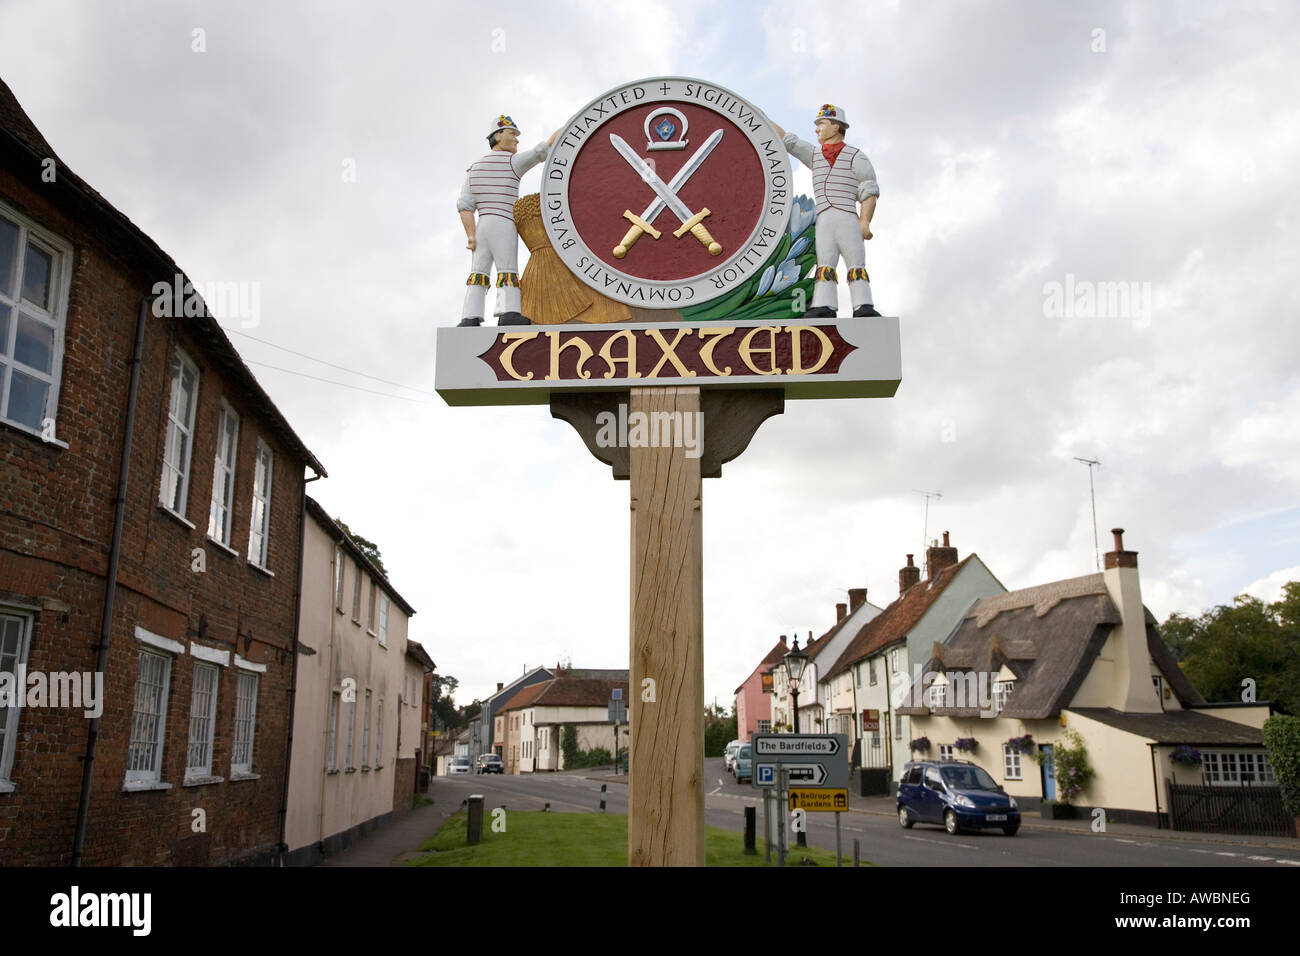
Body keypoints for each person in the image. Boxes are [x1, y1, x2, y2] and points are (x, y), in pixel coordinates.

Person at [775, 105, 881, 317]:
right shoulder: (815, 155)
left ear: (836, 126)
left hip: (847, 216)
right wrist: (760, 116)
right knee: (824, 263)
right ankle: (824, 305)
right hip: (824, 218)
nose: (817, 129)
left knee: (855, 262)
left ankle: (863, 305)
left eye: (821, 124)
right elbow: (790, 142)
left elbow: (869, 189)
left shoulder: (855, 156)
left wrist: (865, 220)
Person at [456, 116, 558, 327]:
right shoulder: (512, 162)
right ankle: (508, 312)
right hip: (503, 222)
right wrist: (567, 126)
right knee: (507, 269)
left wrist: (471, 234)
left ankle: (470, 316)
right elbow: (543, 150)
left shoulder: (473, 169)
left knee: (478, 272)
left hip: (482, 224)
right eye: (512, 134)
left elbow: (465, 205)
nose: (516, 140)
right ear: (498, 136)